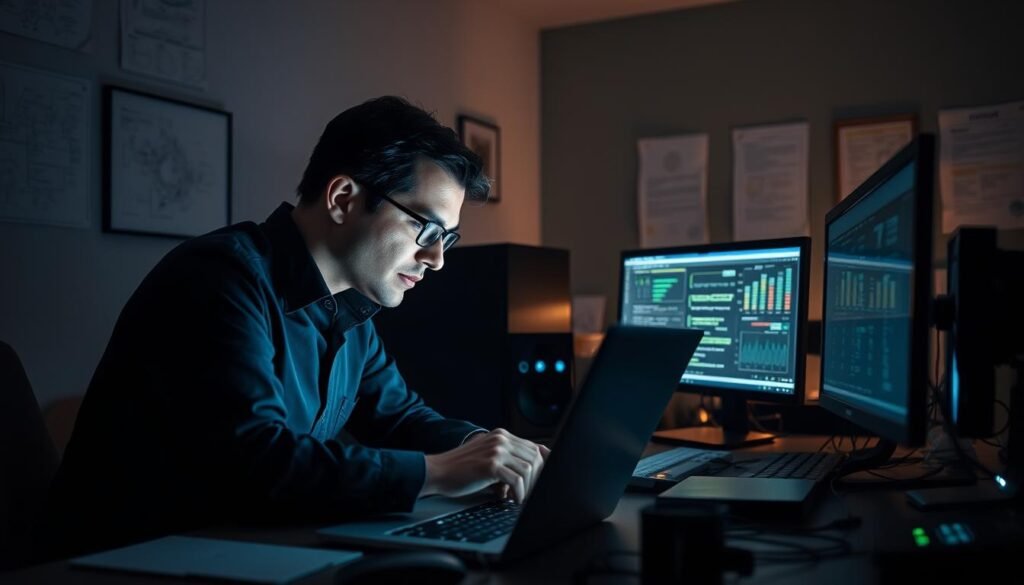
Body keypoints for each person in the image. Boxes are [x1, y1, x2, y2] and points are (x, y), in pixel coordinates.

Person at [45, 96, 549, 558]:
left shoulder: (349, 309)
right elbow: (258, 463)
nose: (437, 259)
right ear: (343, 198)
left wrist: (494, 450)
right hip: (129, 559)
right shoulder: (217, 279)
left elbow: (400, 418)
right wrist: (440, 472)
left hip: (244, 549)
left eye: (449, 238)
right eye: (427, 228)